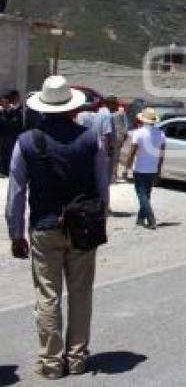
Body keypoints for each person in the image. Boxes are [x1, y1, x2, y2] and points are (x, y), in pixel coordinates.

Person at [5, 75, 109, 378]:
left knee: (47, 295)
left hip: (44, 227)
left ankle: (51, 362)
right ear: (73, 108)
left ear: (43, 108)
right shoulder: (91, 139)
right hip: (84, 227)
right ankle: (77, 358)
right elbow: (103, 188)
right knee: (81, 293)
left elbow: (16, 191)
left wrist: (15, 233)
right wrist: (101, 220)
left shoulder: (26, 141)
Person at [126, 108, 165, 229]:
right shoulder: (161, 134)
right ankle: (140, 219)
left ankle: (151, 218)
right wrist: (158, 170)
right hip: (152, 169)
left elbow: (132, 152)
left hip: (140, 168)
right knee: (146, 194)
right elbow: (161, 154)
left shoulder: (138, 133)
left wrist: (126, 167)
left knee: (141, 195)